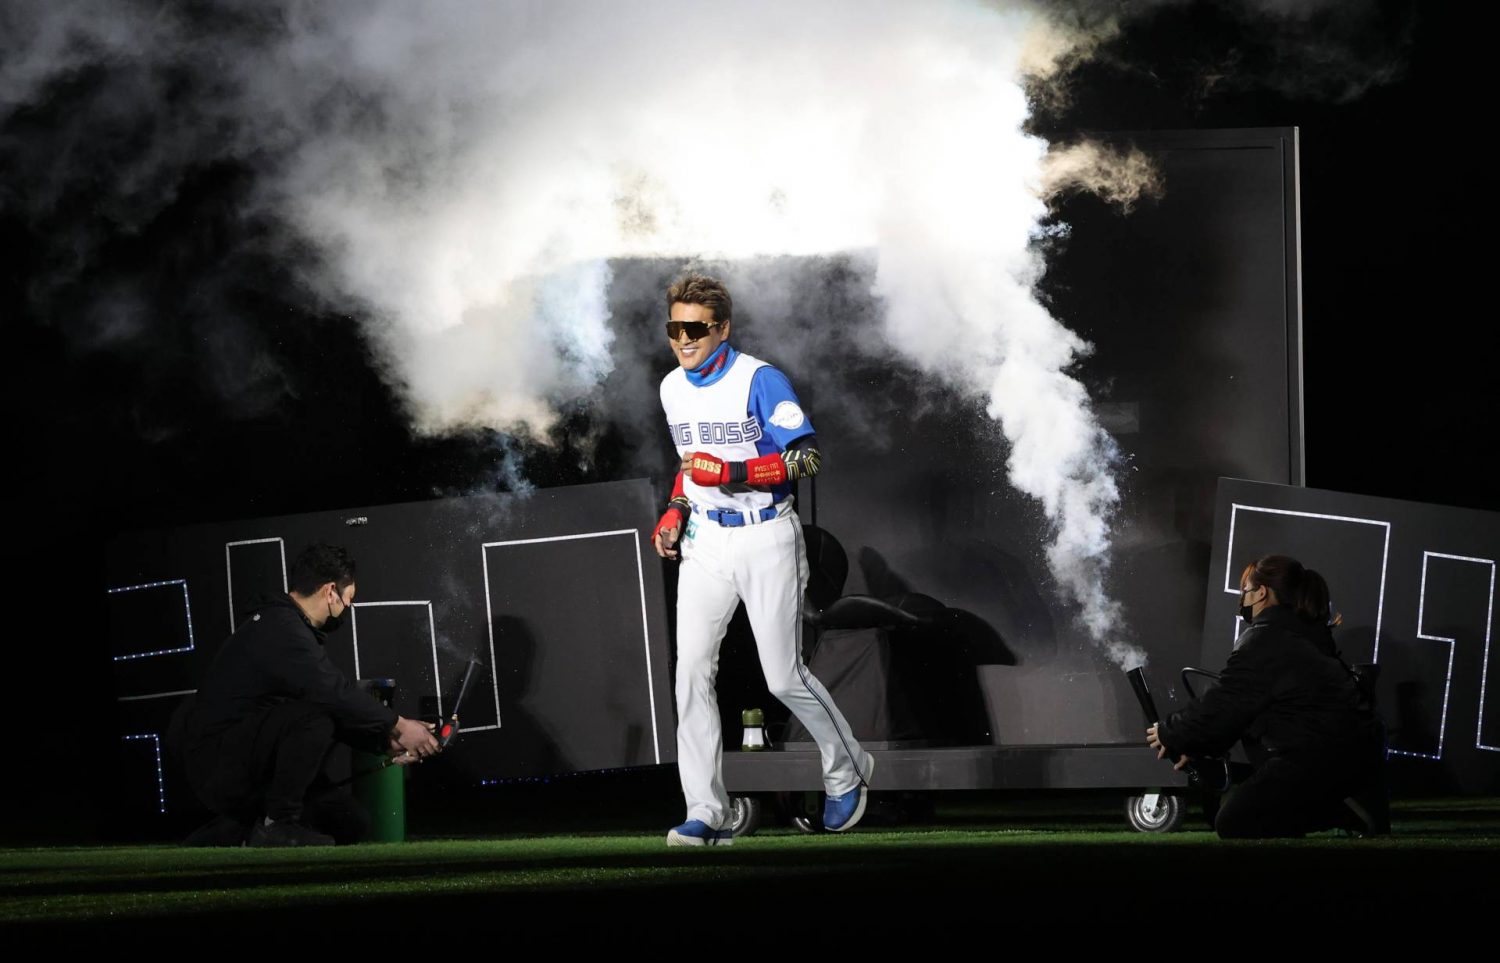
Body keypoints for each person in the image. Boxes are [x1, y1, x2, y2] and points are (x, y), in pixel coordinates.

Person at [652, 274, 874, 846]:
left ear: (721, 328)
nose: (683, 338)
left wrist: (730, 474)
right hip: (705, 542)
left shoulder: (759, 378)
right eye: (675, 327)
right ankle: (706, 809)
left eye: (695, 328)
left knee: (782, 676)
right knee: (690, 673)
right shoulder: (672, 387)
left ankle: (848, 766)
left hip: (766, 535)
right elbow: (688, 460)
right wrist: (676, 508)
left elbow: (806, 459)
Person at [176, 543, 441, 846]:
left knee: (350, 824)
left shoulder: (288, 627)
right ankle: (278, 825)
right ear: (330, 592)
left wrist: (385, 741)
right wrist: (400, 725)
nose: (347, 609)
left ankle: (232, 832)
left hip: (250, 757)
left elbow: (330, 705)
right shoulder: (282, 629)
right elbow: (331, 695)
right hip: (220, 766)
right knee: (318, 712)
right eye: (348, 599)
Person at [1147, 554, 1389, 838]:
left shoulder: (1266, 639)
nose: (1243, 599)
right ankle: (1347, 802)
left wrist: (1169, 732)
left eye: (1245, 591)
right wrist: (1197, 743)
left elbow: (1225, 704)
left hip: (1322, 758)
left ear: (1261, 592)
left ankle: (1342, 811)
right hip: (1357, 755)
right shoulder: (1306, 633)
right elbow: (1245, 711)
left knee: (1234, 822)